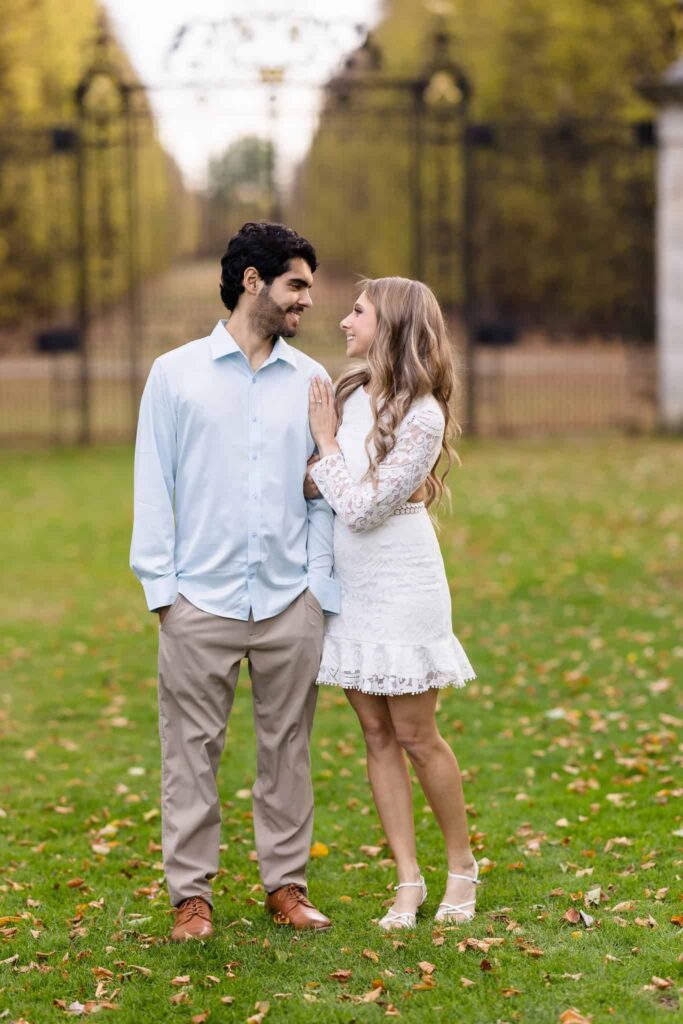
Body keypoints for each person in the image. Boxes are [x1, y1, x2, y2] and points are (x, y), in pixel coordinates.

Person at [130, 222, 340, 941]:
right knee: (189, 751)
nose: (307, 300)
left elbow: (322, 489)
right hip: (198, 601)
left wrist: (317, 591)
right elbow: (153, 485)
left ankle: (285, 885)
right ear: (253, 281)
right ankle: (192, 895)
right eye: (297, 284)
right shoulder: (174, 373)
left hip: (289, 601)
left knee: (289, 748)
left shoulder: (313, 380)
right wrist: (164, 592)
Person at [305, 276, 479, 930]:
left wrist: (324, 450)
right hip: (350, 589)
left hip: (403, 583)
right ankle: (407, 879)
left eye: (357, 311)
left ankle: (461, 865)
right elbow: (318, 489)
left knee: (414, 733)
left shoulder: (424, 414)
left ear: (391, 324)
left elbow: (361, 506)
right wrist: (325, 465)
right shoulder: (347, 394)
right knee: (374, 734)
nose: (345, 320)